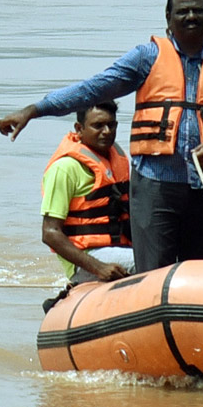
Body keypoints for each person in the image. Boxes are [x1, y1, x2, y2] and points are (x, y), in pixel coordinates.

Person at [0, 0, 203, 272]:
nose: (191, 16)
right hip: (155, 185)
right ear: (168, 19)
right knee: (154, 271)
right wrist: (35, 110)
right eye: (183, 11)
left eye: (198, 10)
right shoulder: (147, 57)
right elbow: (92, 89)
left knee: (201, 272)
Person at [40, 101, 135, 284]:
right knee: (154, 263)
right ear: (79, 128)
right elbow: (50, 233)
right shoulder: (65, 168)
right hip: (87, 258)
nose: (107, 131)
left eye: (111, 124)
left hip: (120, 247)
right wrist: (99, 267)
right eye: (98, 126)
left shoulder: (119, 160)